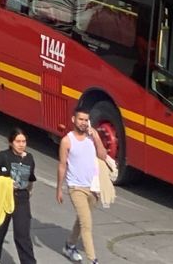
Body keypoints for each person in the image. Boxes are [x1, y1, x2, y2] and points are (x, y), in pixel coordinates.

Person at [58, 107, 109, 264]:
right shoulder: (67, 141)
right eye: (80, 119)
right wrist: (59, 188)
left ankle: (70, 245)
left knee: (82, 219)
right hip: (76, 187)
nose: (83, 123)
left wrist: (97, 138)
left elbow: (103, 155)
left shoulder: (91, 138)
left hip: (93, 187)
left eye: (86, 120)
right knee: (86, 225)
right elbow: (62, 165)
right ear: (74, 120)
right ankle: (93, 260)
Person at [0, 127, 38, 264]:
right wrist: (5, 182)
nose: (21, 144)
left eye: (24, 141)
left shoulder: (29, 158)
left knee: (22, 235)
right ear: (10, 142)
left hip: (22, 199)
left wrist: (29, 190)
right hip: (4, 197)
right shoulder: (3, 156)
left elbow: (31, 178)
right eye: (18, 141)